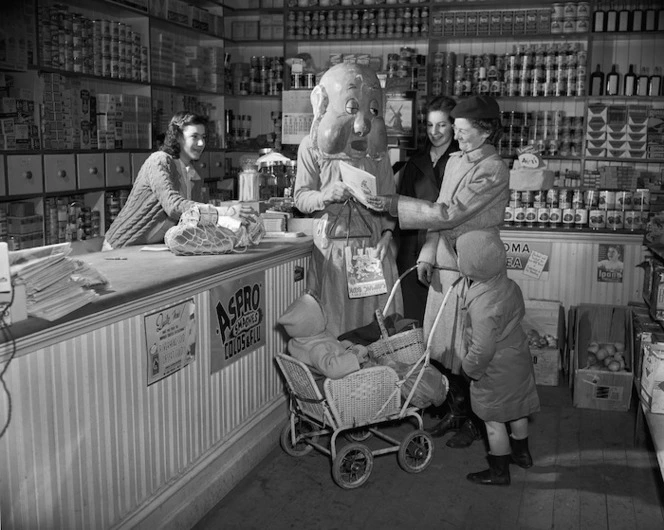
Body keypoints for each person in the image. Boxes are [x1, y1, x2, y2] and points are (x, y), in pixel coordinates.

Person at [365, 95, 510, 449]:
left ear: (485, 131)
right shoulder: (459, 160)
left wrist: (396, 205)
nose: (455, 137)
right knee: (444, 348)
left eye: (461, 131)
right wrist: (428, 255)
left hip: (472, 266)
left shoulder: (493, 168)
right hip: (445, 262)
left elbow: (450, 214)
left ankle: (478, 421)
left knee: (470, 349)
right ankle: (457, 412)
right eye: (455, 130)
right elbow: (437, 219)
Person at [294, 63, 402, 339]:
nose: (361, 124)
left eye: (372, 111)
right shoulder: (310, 146)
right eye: (352, 109)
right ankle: (337, 382)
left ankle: (374, 382)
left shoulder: (378, 153)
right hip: (332, 253)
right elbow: (301, 197)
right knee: (333, 325)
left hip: (371, 252)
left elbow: (391, 201)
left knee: (374, 328)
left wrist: (388, 235)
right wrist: (324, 196)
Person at [455, 230, 540, 486]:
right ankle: (522, 455)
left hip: (496, 370)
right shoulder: (508, 285)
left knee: (493, 421)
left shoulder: (483, 305)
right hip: (518, 361)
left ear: (472, 266)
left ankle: (500, 471)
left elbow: (482, 350)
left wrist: (468, 369)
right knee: (517, 409)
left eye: (460, 256)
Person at [104, 111, 253, 249]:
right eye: (194, 137)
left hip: (149, 249)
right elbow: (174, 206)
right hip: (121, 247)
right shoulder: (159, 161)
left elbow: (193, 219)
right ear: (178, 137)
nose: (201, 143)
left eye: (203, 137)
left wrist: (235, 227)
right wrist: (226, 212)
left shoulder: (194, 174)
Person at [396, 95, 458, 326]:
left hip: (447, 250)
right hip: (412, 249)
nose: (435, 131)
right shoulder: (415, 162)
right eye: (430, 125)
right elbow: (401, 206)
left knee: (442, 323)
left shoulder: (460, 162)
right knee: (412, 320)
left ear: (454, 125)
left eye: (442, 125)